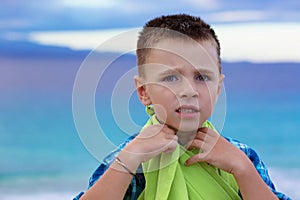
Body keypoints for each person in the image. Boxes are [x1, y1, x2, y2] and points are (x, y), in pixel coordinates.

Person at [74, 14, 290, 200]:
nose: (189, 90)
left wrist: (242, 169)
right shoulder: (132, 159)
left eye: (201, 77)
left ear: (218, 88)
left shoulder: (243, 156)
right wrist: (130, 158)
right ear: (144, 92)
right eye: (170, 78)